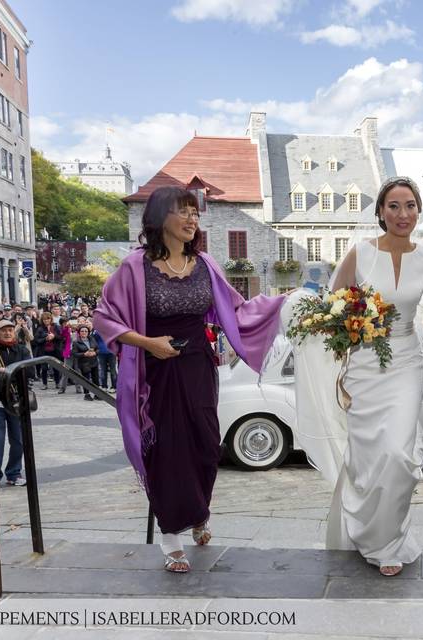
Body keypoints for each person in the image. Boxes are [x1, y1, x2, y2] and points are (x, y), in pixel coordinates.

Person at [92, 186, 284, 573]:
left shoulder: (206, 265)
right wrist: (147, 342)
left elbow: (239, 310)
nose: (193, 220)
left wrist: (285, 302)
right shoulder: (135, 267)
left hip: (198, 367)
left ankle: (199, 512)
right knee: (167, 451)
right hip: (156, 373)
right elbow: (105, 317)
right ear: (161, 217)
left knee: (205, 445)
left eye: (195, 213)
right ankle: (170, 535)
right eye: (184, 211)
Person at [321, 176, 423, 577]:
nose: (402, 214)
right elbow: (330, 312)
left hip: (406, 362)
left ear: (418, 212)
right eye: (394, 206)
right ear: (381, 212)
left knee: (398, 455)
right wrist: (342, 357)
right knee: (371, 456)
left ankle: (389, 538)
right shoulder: (360, 253)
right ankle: (366, 531)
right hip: (365, 366)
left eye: (410, 206)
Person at [0, 319, 32, 489]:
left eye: (10, 330)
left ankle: (14, 473)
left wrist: (4, 371)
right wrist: (12, 371)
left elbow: (29, 372)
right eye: (3, 330)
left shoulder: (21, 349)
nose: (7, 333)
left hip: (15, 402)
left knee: (18, 440)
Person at [33, 311, 63, 389]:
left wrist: (54, 336)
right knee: (44, 368)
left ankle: (57, 383)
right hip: (44, 351)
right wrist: (45, 338)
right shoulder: (40, 328)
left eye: (48, 319)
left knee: (56, 367)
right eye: (44, 320)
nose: (46, 321)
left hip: (55, 350)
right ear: (42, 320)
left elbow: (61, 337)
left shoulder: (56, 326)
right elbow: (36, 340)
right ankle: (44, 384)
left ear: (51, 319)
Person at [72, 325, 100, 401]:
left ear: (88, 332)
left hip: (94, 361)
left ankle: (97, 394)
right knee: (86, 379)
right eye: (82, 331)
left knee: (96, 379)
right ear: (79, 333)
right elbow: (74, 354)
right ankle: (87, 394)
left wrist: (95, 353)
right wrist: (84, 354)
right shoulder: (76, 342)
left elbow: (97, 349)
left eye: (86, 331)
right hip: (84, 363)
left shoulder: (92, 339)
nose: (84, 332)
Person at [93, 327, 117, 391]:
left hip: (111, 352)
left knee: (113, 370)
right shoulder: (97, 330)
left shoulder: (113, 330)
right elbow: (94, 340)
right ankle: (104, 386)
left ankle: (114, 386)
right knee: (103, 370)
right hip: (101, 352)